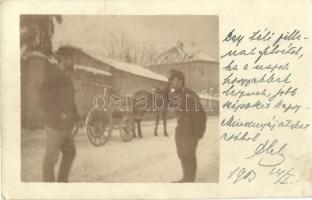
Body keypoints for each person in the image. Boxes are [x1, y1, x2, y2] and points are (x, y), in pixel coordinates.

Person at [40, 46, 80, 182]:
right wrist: (59, 114)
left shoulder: (66, 77)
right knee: (51, 158)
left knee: (70, 153)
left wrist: (76, 117)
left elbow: (70, 100)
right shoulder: (51, 75)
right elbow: (44, 100)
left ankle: (62, 183)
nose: (74, 61)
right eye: (72, 58)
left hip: (66, 125)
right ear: (64, 58)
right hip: (54, 124)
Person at [169, 70, 206, 183]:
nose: (172, 83)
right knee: (181, 154)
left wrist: (199, 133)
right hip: (180, 128)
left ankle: (190, 180)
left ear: (181, 81)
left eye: (174, 80)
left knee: (189, 155)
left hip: (190, 129)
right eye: (171, 80)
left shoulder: (190, 94)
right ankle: (186, 177)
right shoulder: (176, 94)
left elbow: (200, 114)